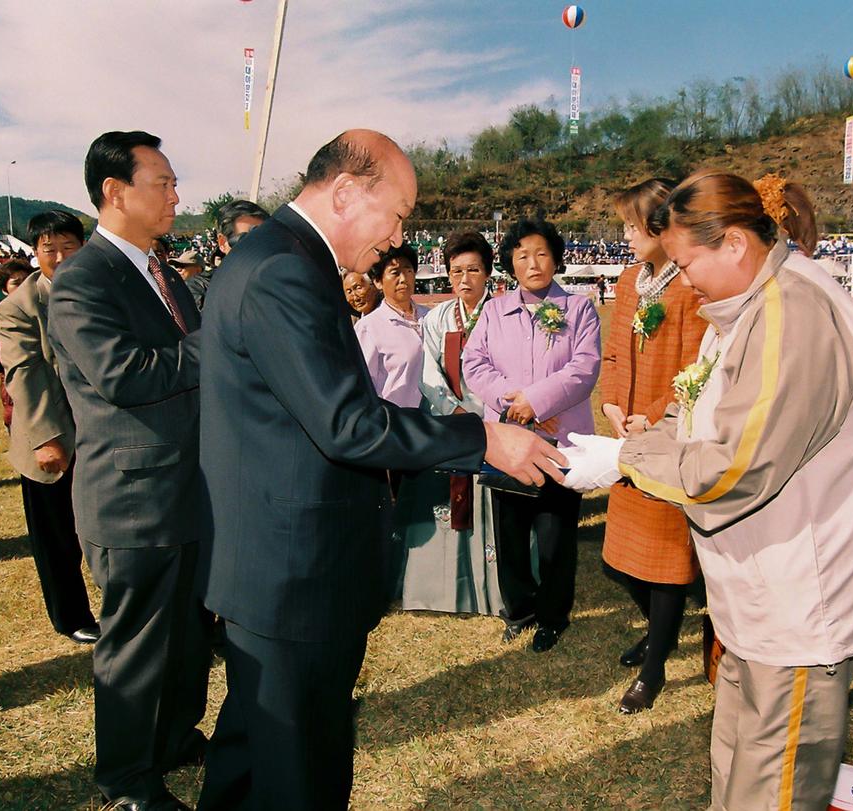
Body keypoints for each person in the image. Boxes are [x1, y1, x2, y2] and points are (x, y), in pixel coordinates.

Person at [195, 129, 563, 810]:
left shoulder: (281, 255)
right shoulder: (283, 269)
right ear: (345, 192)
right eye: (397, 215)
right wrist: (481, 439)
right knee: (300, 772)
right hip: (293, 572)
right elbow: (349, 423)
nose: (399, 236)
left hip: (276, 565)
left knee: (252, 751)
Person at [561, 172, 853, 809]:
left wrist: (625, 460)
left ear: (737, 244)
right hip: (756, 592)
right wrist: (637, 445)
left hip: (803, 597)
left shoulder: (793, 312)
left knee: (776, 787)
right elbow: (691, 413)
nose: (684, 280)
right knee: (739, 768)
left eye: (690, 262)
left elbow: (732, 466)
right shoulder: (744, 308)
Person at [47, 130, 211, 811]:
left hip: (189, 486)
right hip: (132, 497)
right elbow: (123, 374)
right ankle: (125, 777)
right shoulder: (81, 281)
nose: (176, 195)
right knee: (136, 644)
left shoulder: (162, 270)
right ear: (115, 192)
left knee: (185, 633)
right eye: (163, 183)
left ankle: (172, 736)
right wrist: (215, 346)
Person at [463, 216, 601, 652]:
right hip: (509, 439)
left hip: (561, 440)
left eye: (541, 253)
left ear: (556, 258)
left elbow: (584, 368)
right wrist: (514, 403)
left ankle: (553, 615)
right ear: (510, 263)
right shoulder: (493, 310)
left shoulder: (578, 309)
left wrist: (537, 402)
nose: (533, 262)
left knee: (555, 535)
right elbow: (474, 364)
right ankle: (519, 608)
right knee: (511, 532)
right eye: (522, 255)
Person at [598, 178, 707, 713]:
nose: (626, 235)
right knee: (619, 562)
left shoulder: (690, 287)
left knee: (665, 561)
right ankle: (658, 633)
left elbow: (694, 368)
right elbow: (615, 354)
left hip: (667, 440)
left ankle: (655, 666)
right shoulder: (627, 281)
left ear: (663, 227)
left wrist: (657, 417)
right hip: (628, 436)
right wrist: (614, 406)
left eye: (633, 225)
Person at [0, 211, 97, 645]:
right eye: (48, 249)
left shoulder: (100, 289)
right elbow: (25, 374)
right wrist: (47, 439)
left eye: (68, 247)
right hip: (52, 436)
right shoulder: (19, 305)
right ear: (35, 253)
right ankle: (71, 615)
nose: (58, 256)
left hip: (100, 433)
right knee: (57, 538)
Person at [398, 231, 504, 615]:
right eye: (456, 270)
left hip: (492, 421)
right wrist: (453, 409)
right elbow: (427, 371)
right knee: (446, 501)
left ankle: (494, 589)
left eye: (473, 269)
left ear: (488, 273)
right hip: (449, 419)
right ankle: (444, 590)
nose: (464, 278)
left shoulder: (502, 313)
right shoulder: (438, 318)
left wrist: (485, 412)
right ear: (446, 273)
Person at [354, 243, 428, 407]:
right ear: (378, 282)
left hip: (438, 420)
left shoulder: (431, 317)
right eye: (395, 273)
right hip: (397, 423)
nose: (403, 279)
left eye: (408, 271)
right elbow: (363, 386)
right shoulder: (369, 328)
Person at [186, 199, 270, 310]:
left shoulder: (279, 285)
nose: (255, 247)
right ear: (222, 243)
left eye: (263, 239)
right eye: (246, 239)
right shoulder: (199, 288)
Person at [0, 259, 32, 428]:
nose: (23, 288)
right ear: (4, 289)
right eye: (16, 283)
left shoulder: (44, 313)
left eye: (26, 281)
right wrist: (26, 356)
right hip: (16, 399)